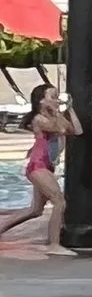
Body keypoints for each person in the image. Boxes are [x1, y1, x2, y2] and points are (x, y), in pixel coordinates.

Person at [1, 80, 77, 260]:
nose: (57, 100)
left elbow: (75, 130)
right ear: (41, 101)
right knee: (59, 201)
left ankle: (1, 228)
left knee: (35, 210)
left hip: (46, 166)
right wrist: (58, 112)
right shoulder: (39, 119)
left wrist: (71, 110)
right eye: (53, 97)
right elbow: (61, 129)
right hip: (38, 166)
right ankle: (54, 244)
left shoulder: (52, 116)